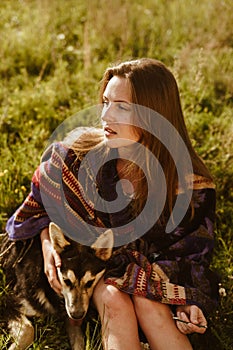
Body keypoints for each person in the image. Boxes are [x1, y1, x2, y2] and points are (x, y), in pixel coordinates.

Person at [6, 58, 219, 350]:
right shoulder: (73, 158)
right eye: (105, 102)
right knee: (113, 300)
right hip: (98, 275)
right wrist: (47, 246)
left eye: (122, 107)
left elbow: (193, 255)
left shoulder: (188, 186)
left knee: (149, 305)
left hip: (150, 278)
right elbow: (38, 210)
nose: (106, 115)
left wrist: (186, 301)